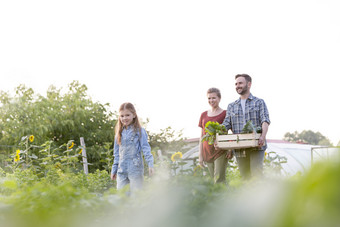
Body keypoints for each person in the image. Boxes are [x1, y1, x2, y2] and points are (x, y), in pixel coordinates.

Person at [221, 74, 270, 179]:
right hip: (240, 147)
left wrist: (263, 136)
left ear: (249, 84)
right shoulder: (231, 106)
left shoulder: (259, 102)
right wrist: (218, 135)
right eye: (236, 84)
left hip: (257, 145)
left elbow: (265, 120)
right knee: (245, 178)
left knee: (257, 176)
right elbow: (226, 124)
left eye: (240, 83)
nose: (237, 86)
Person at [111, 102, 154, 192]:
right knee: (122, 196)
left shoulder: (140, 131)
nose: (124, 118)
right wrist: (114, 169)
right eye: (122, 116)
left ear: (134, 115)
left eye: (127, 115)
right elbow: (116, 154)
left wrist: (150, 164)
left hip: (135, 168)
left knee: (136, 196)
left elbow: (146, 149)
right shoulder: (118, 133)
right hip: (121, 170)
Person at [198, 87, 232, 183]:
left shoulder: (225, 113)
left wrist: (230, 148)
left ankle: (224, 197)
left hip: (220, 150)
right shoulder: (203, 115)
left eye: (214, 98)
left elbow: (231, 132)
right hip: (207, 151)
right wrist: (200, 155)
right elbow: (202, 136)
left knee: (218, 179)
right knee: (212, 182)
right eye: (209, 98)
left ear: (219, 99)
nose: (211, 100)